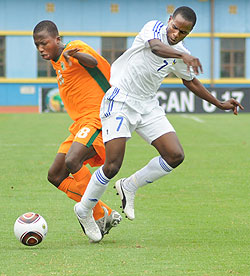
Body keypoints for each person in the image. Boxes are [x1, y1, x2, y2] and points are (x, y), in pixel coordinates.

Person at [74, 6, 244, 242]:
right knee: (112, 164)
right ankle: (83, 210)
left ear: (189, 31)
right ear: (169, 20)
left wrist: (219, 103)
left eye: (183, 32)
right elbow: (156, 47)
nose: (176, 34)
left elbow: (191, 81)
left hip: (147, 106)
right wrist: (181, 55)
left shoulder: (180, 52)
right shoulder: (153, 28)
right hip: (121, 99)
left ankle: (130, 185)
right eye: (175, 27)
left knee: (175, 155)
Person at [33, 20, 122, 241]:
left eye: (44, 43)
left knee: (74, 160)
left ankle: (90, 214)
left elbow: (92, 61)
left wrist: (77, 55)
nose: (41, 49)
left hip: (98, 117)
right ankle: (103, 213)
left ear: (57, 40)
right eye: (37, 45)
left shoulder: (74, 48)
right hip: (80, 124)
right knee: (55, 175)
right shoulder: (56, 64)